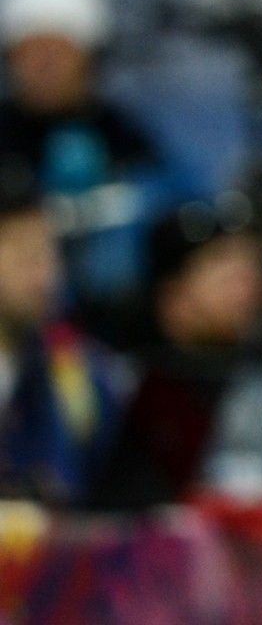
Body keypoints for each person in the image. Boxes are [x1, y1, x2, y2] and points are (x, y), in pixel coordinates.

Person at [0, 0, 197, 346]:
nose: (46, 65)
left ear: (91, 57)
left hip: (120, 339)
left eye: (60, 50)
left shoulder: (128, 139)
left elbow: (185, 208)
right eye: (32, 51)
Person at [90, 197, 262, 510]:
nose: (244, 279)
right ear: (172, 294)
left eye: (247, 263)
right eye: (220, 261)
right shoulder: (122, 389)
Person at [0, 163, 122, 505]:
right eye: (25, 256)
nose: (45, 275)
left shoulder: (76, 366)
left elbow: (115, 487)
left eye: (50, 253)